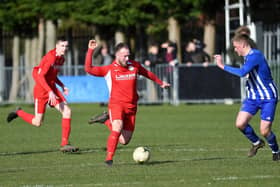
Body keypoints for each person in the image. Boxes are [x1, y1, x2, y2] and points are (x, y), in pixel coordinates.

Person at [84, 40, 170, 166]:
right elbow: (88, 69)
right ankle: (109, 159)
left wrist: (160, 83)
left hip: (132, 107)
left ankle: (106, 120)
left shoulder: (134, 66)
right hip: (116, 105)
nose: (127, 58)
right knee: (117, 126)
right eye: (125, 56)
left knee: (124, 140)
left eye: (128, 55)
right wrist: (90, 50)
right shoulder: (109, 69)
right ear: (117, 55)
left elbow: (147, 73)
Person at [214, 34, 280, 161]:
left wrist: (222, 66)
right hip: (253, 96)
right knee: (240, 124)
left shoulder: (256, 56)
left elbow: (242, 72)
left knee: (265, 131)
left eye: (236, 47)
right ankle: (257, 143)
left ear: (243, 45)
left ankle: (276, 151)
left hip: (268, 97)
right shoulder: (247, 57)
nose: (235, 49)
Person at [6, 37, 79, 153]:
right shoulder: (51, 57)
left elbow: (53, 76)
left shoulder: (61, 59)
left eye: (66, 46)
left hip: (52, 90)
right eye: (62, 46)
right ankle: (18, 112)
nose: (64, 48)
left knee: (67, 111)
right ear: (56, 46)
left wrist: (62, 85)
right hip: (41, 90)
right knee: (37, 122)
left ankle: (65, 143)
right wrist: (49, 91)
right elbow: (40, 76)